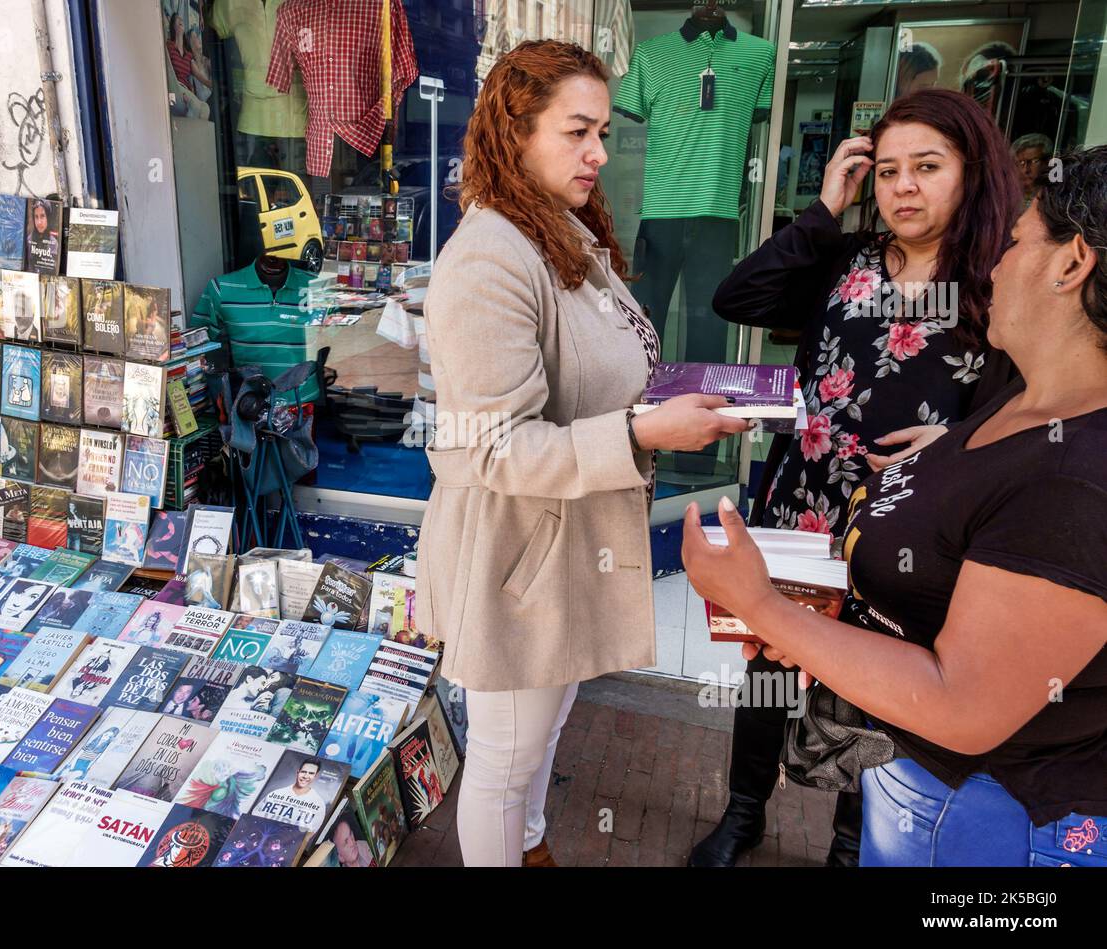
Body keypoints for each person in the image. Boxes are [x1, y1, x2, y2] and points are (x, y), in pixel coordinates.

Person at [683, 146, 1107, 866]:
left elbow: (959, 699)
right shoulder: (854, 263)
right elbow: (739, 297)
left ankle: (844, 844)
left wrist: (762, 605)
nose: (903, 185)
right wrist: (823, 211)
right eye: (886, 169)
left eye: (929, 166)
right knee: (774, 683)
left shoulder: (1069, 461)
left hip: (979, 812)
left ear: (1070, 266)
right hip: (828, 518)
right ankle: (747, 809)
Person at [414, 40, 750, 869]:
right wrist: (644, 432)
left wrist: (673, 396)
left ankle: (529, 847)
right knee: (504, 758)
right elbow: (489, 447)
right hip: (519, 558)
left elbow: (600, 361)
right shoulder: (491, 259)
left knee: (540, 734)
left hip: (564, 547)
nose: (599, 152)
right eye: (578, 131)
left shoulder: (557, 230)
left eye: (603, 131)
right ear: (515, 132)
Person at [1012, 132, 1054, 206]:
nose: (1026, 170)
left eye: (1035, 161)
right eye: (1021, 162)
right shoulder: (1005, 198)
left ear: (1048, 162)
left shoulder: (1054, 201)